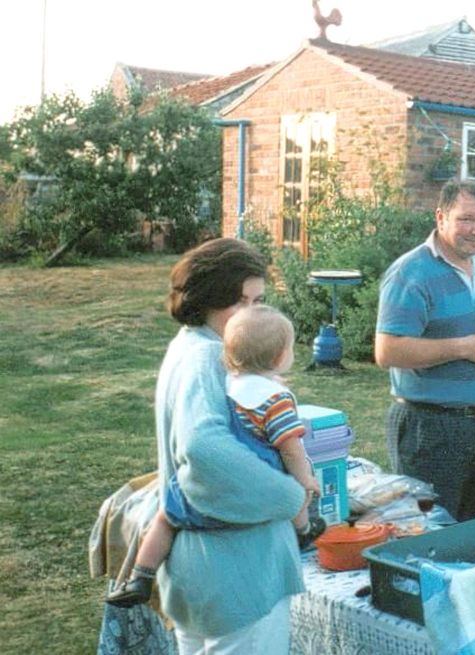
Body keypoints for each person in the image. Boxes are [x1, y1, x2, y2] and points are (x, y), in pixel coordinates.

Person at [123, 238, 307, 653]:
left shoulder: (192, 346)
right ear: (208, 299)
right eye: (241, 302)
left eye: (259, 302)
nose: (253, 315)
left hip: (204, 566)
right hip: (233, 571)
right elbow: (205, 450)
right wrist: (289, 496)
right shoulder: (208, 357)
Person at [107, 304, 325, 609]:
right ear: (279, 358)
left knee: (165, 518)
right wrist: (304, 480)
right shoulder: (277, 400)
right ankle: (303, 531)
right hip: (245, 496)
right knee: (297, 492)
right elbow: (290, 447)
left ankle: (140, 576)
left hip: (200, 492)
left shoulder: (225, 384)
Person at [375, 180, 475, 522]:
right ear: (440, 217)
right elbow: (387, 351)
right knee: (430, 537)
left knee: (473, 534)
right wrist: (465, 347)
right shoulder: (410, 272)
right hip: (429, 429)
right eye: (466, 219)